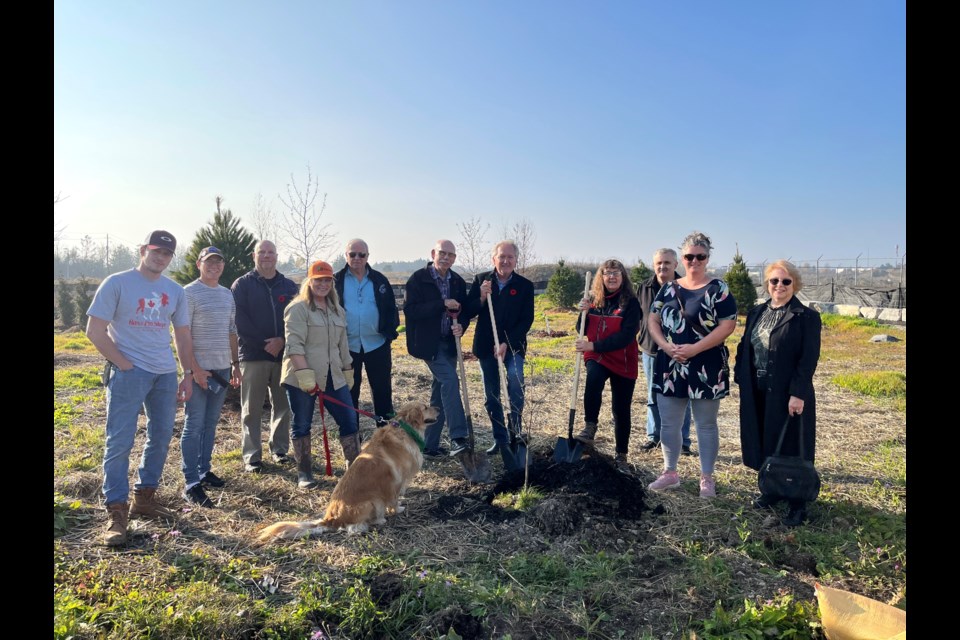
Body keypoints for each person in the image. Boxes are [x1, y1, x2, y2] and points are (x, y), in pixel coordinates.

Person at [85, 230, 197, 546]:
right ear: (143, 250)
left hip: (164, 374)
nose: (161, 257)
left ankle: (144, 497)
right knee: (119, 440)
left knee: (161, 436)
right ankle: (117, 511)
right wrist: (123, 364)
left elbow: (183, 334)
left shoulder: (174, 290)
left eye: (167, 254)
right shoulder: (117, 283)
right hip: (129, 374)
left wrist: (186, 373)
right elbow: (94, 330)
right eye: (156, 251)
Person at [647, 231, 737, 498]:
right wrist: (665, 346)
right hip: (670, 363)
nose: (694, 261)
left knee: (705, 424)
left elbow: (728, 325)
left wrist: (695, 348)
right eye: (689, 256)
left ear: (708, 258)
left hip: (706, 365)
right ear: (682, 259)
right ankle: (670, 472)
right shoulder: (669, 288)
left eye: (701, 256)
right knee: (669, 423)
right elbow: (652, 320)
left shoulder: (718, 289)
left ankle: (707, 477)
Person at [735, 260, 821, 527]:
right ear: (767, 284)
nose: (780, 286)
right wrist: (741, 377)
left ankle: (798, 502)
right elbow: (744, 346)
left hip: (787, 393)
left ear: (794, 284)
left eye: (786, 281)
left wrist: (798, 393)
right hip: (759, 390)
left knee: (793, 446)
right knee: (764, 439)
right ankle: (771, 489)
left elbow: (808, 360)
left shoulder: (805, 317)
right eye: (774, 281)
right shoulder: (756, 312)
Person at [281, 260, 358, 488]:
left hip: (334, 375)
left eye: (327, 280)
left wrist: (347, 369)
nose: (323, 284)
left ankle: (355, 470)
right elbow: (293, 345)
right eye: (318, 280)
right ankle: (304, 472)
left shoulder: (337, 311)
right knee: (302, 423)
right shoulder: (298, 309)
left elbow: (343, 345)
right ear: (310, 281)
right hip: (301, 377)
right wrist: (305, 374)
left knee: (349, 420)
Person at [180, 246, 242, 508]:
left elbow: (231, 331)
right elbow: (183, 335)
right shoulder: (189, 293)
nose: (214, 266)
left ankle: (204, 470)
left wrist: (235, 364)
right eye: (209, 262)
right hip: (198, 370)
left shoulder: (227, 295)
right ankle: (191, 482)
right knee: (193, 424)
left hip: (221, 370)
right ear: (199, 264)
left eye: (219, 262)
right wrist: (194, 369)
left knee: (211, 423)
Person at [231, 240, 299, 473]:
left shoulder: (288, 286)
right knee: (252, 408)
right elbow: (239, 321)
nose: (267, 256)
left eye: (271, 252)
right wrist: (264, 344)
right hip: (253, 355)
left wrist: (281, 340)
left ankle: (279, 449)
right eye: (262, 252)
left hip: (284, 355)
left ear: (277, 256)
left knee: (282, 404)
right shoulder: (241, 285)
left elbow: (296, 320)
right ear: (254, 256)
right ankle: (252, 456)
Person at [463, 240, 535, 455]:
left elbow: (526, 320)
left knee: (515, 379)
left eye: (510, 257)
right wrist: (482, 297)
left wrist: (506, 343)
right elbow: (469, 310)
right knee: (492, 394)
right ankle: (500, 438)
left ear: (516, 260)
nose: (505, 261)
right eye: (501, 257)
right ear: (493, 258)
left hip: (513, 345)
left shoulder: (524, 286)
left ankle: (516, 432)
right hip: (486, 344)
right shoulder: (481, 280)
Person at [404, 239, 472, 457]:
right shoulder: (418, 279)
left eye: (450, 255)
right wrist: (441, 304)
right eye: (442, 253)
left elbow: (464, 311)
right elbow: (411, 311)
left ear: (454, 258)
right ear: (433, 253)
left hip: (449, 344)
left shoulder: (458, 282)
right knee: (450, 380)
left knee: (440, 390)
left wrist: (462, 325)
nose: (446, 257)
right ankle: (458, 437)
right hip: (428, 344)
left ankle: (429, 446)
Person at [572, 259, 641, 469]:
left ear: (623, 277)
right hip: (598, 357)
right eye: (607, 273)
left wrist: (593, 345)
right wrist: (582, 312)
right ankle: (590, 425)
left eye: (616, 273)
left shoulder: (631, 303)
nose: (612, 276)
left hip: (623, 360)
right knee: (593, 378)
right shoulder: (593, 299)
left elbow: (626, 337)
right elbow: (581, 329)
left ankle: (621, 455)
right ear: (601, 277)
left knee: (621, 409)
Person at [334, 239, 400, 430]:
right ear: (346, 255)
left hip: (377, 345)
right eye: (352, 254)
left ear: (367, 256)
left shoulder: (380, 280)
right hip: (347, 347)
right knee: (349, 394)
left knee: (383, 393)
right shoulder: (335, 281)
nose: (357, 258)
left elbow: (390, 309)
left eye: (361, 254)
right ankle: (352, 438)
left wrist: (389, 333)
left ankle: (386, 436)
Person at [638, 248, 694, 455]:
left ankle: (684, 441)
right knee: (653, 394)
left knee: (681, 395)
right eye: (658, 263)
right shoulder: (644, 287)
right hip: (651, 350)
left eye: (667, 263)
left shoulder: (685, 287)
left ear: (675, 265)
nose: (662, 267)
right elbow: (637, 316)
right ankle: (655, 437)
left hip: (678, 352)